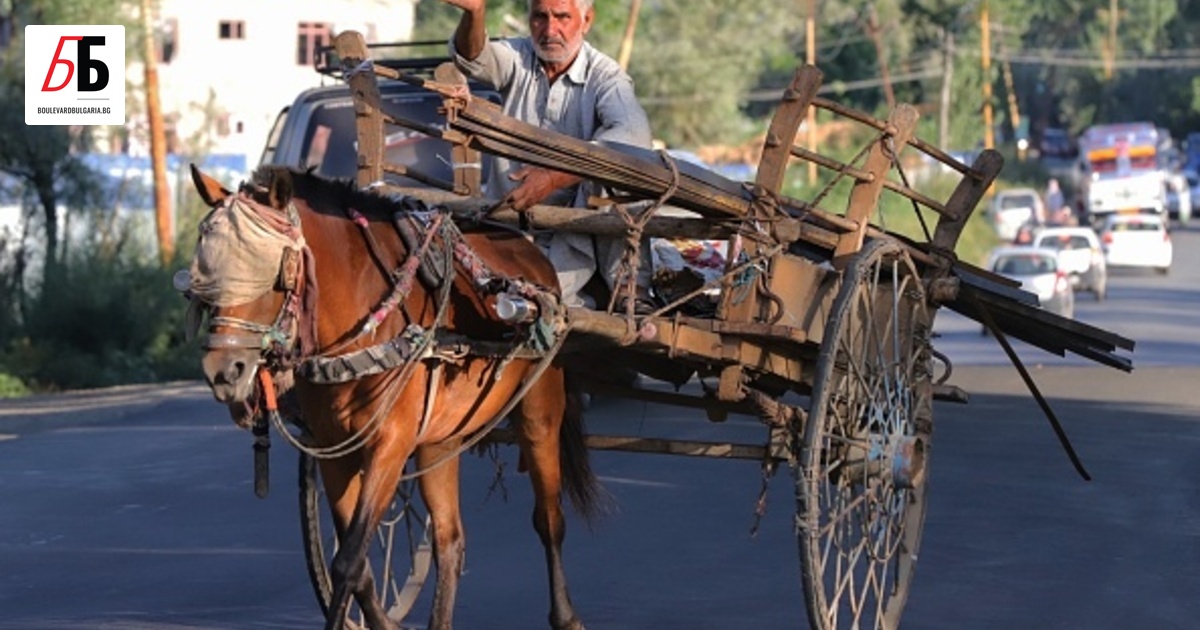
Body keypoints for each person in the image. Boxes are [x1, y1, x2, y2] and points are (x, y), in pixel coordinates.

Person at [442, 0, 656, 312]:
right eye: (540, 17)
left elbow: (634, 137)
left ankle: (629, 289)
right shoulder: (518, 57)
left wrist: (556, 176)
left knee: (618, 168)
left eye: (562, 17)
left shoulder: (607, 78)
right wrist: (474, 12)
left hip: (573, 238)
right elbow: (473, 58)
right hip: (507, 230)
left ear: (586, 20)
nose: (550, 29)